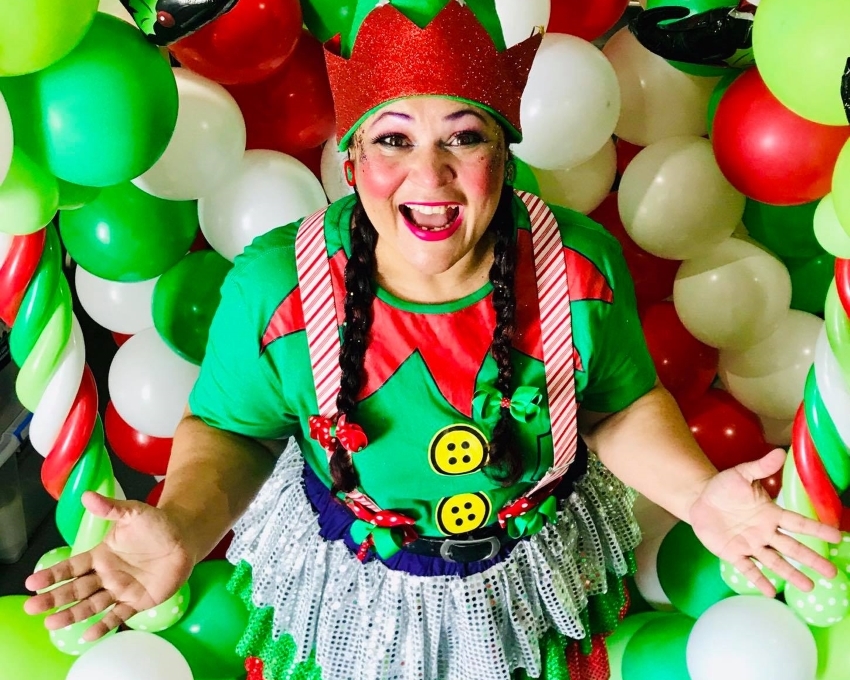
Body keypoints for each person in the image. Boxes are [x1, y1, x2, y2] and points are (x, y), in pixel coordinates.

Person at [25, 2, 840, 679]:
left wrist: (698, 496)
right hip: (357, 583)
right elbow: (234, 430)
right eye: (393, 140)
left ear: (504, 157)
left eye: (463, 136)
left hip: (530, 574)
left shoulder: (576, 264)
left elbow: (618, 406)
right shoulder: (277, 287)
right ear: (351, 161)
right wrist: (184, 523)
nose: (430, 175)